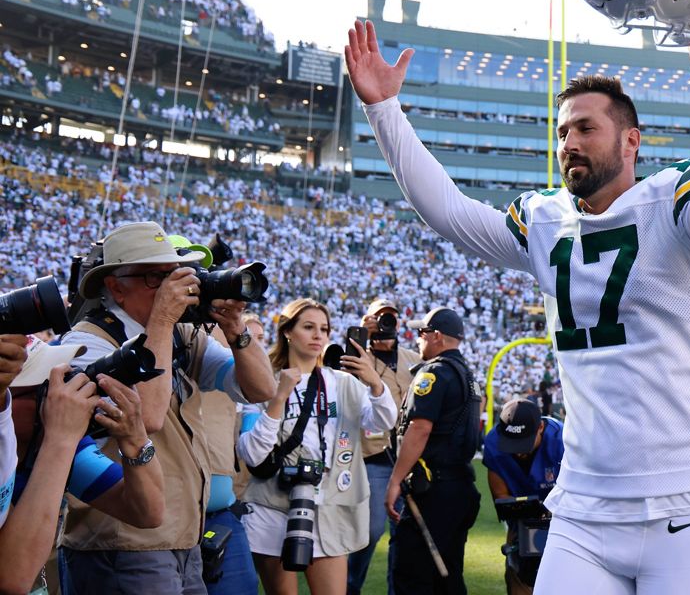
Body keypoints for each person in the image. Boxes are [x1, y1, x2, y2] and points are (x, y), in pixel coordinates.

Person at [347, 5, 690, 594]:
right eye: (562, 131)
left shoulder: (676, 201)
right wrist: (382, 109)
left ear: (631, 141)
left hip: (685, 503)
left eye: (585, 128)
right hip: (583, 505)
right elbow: (447, 211)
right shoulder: (546, 219)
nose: (569, 142)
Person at [59, 221, 277, 593]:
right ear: (115, 287)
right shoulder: (84, 345)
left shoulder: (181, 335)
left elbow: (260, 388)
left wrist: (236, 327)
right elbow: (148, 417)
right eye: (154, 277)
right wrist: (161, 320)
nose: (171, 286)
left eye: (173, 273)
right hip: (123, 542)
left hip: (182, 535)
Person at [238, 298, 397, 595]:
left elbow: (383, 420)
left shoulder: (343, 382)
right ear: (287, 331)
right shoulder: (263, 382)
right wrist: (278, 397)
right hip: (271, 505)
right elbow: (252, 453)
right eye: (308, 327)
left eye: (324, 329)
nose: (318, 336)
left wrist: (374, 382)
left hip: (328, 506)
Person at [0, 334, 159, 594]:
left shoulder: (54, 445)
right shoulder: (55, 442)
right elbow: (11, 577)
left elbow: (147, 512)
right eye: (44, 389)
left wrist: (135, 439)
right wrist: (60, 439)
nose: (60, 396)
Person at [383, 307, 481, 595]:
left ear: (437, 336)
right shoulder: (466, 373)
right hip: (458, 485)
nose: (417, 339)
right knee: (447, 579)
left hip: (433, 490)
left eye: (422, 333)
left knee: (413, 576)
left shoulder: (435, 372)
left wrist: (395, 480)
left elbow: (420, 428)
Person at [348, 298, 420, 595]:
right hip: (374, 456)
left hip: (410, 457)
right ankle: (348, 586)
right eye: (379, 319)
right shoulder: (358, 357)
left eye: (390, 318)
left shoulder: (413, 358)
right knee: (372, 529)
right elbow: (345, 375)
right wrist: (360, 339)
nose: (385, 324)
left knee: (404, 535)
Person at [482, 397, 566, 595]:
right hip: (520, 520)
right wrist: (518, 511)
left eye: (523, 443)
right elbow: (501, 496)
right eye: (513, 444)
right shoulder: (494, 443)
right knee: (519, 573)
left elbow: (578, 490)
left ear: (540, 428)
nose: (519, 452)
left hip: (562, 520)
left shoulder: (562, 440)